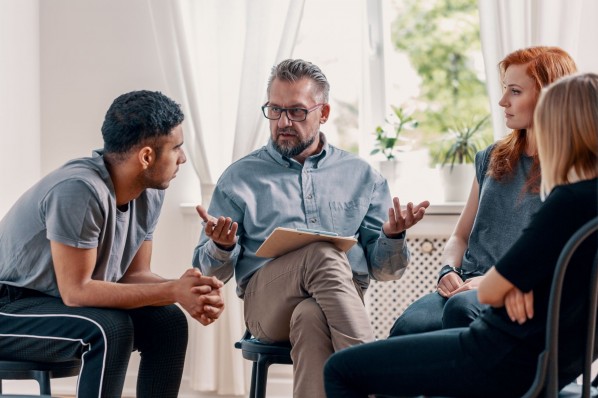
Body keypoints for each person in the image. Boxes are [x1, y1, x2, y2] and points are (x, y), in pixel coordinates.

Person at [324, 72, 598, 398]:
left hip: (495, 355)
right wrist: (519, 281)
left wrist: (508, 283)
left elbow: (494, 288)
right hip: (541, 359)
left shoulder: (567, 201)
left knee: (340, 368)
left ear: (563, 129)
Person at [192, 59, 429, 398]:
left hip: (340, 299)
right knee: (322, 254)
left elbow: (386, 272)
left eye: (297, 112)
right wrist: (222, 247)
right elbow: (205, 271)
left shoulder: (362, 176)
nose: (283, 122)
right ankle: (378, 383)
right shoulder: (239, 177)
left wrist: (391, 237)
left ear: (324, 112)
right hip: (267, 305)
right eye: (274, 110)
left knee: (311, 317)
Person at [0, 90, 225, 398]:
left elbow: (134, 275)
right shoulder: (78, 190)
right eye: (177, 148)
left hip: (54, 304)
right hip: (9, 307)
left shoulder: (150, 190)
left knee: (168, 321)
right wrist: (173, 290)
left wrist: (188, 290)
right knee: (109, 328)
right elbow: (77, 291)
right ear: (146, 157)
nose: (183, 158)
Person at [389, 46, 577, 337]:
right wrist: (447, 270)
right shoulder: (491, 157)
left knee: (461, 310)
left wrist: (495, 282)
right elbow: (460, 236)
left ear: (548, 96)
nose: (503, 101)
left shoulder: (573, 170)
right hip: (464, 284)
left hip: (518, 292)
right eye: (505, 89)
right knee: (406, 327)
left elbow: (562, 257)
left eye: (514, 91)